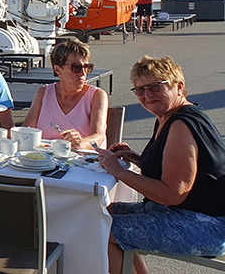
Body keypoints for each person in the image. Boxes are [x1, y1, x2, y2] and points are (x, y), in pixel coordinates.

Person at [100, 56, 225, 273]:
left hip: (207, 225)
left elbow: (173, 193)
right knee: (98, 213)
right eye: (140, 90)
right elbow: (177, 169)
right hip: (185, 211)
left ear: (179, 87)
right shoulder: (169, 116)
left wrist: (118, 172)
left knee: (98, 227)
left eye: (155, 87)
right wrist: (136, 158)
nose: (147, 95)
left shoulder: (181, 125)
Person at [23, 39, 107, 149]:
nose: (82, 73)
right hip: (45, 160)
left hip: (82, 161)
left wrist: (81, 144)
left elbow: (98, 136)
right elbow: (27, 131)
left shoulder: (97, 95)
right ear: (58, 70)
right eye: (76, 67)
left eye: (87, 67)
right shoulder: (43, 93)